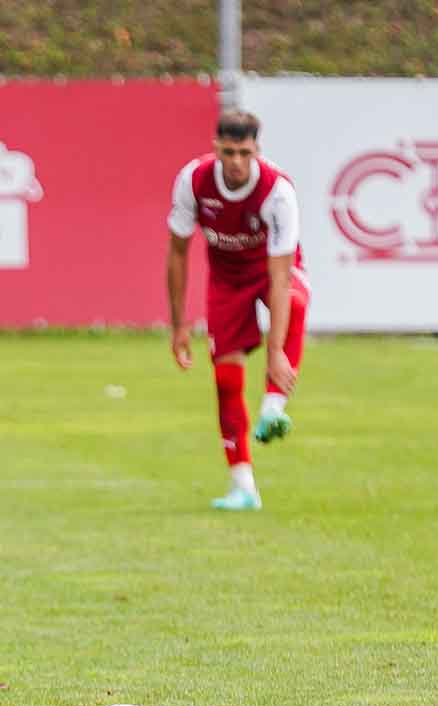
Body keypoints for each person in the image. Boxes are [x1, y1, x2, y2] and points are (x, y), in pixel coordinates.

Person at [165, 110, 309, 511]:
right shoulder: (193, 180)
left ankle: (273, 407)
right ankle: (242, 485)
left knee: (295, 301)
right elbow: (177, 253)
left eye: (244, 153)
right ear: (216, 149)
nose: (236, 163)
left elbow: (281, 276)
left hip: (270, 269)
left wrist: (276, 351)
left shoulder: (277, 191)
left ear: (256, 151)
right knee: (226, 379)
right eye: (228, 152)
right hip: (226, 279)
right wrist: (178, 326)